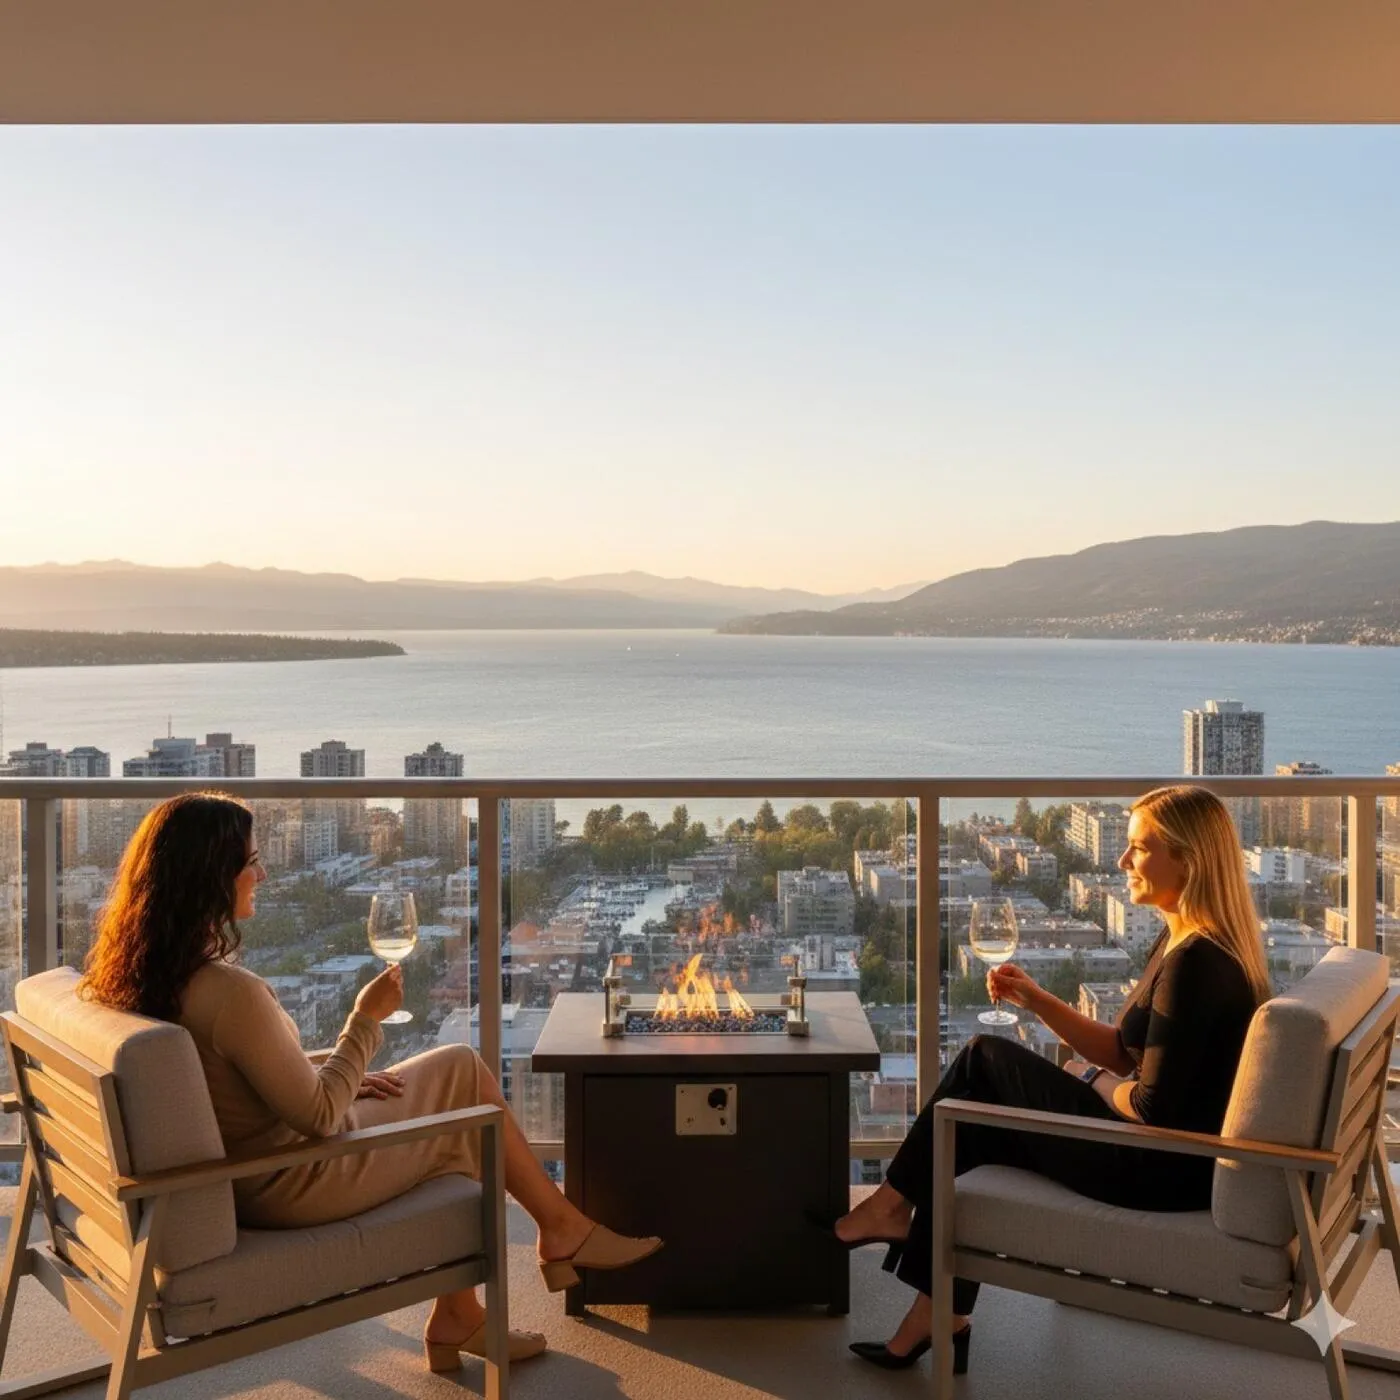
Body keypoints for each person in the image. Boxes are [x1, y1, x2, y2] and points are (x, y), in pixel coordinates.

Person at [80, 792, 662, 1373]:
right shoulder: (231, 995)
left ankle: (477, 1300)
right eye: (250, 861)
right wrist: (364, 1019)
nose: (260, 872)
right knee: (463, 1096)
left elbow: (234, 1084)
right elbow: (319, 1119)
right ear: (210, 876)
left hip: (257, 1166)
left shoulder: (140, 978)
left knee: (455, 1079)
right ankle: (557, 1233)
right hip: (295, 1180)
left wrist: (341, 1073)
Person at [835, 784, 1269, 1372]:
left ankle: (890, 1206)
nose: (1121, 861)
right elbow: (1123, 1051)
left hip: (1161, 1169)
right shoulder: (1183, 938)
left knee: (984, 1058)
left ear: (1188, 859)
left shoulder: (1197, 964)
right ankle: (938, 1316)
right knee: (973, 1124)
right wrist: (1037, 1001)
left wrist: (1088, 1083)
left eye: (1138, 848)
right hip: (1162, 1154)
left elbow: (1149, 1108)